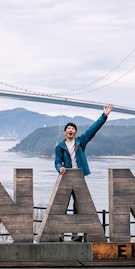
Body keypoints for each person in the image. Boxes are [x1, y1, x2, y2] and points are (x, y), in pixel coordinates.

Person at [54, 103, 114, 241]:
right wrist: (60, 168)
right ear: (65, 132)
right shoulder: (60, 147)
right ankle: (60, 234)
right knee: (62, 206)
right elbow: (57, 162)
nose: (71, 130)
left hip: (79, 177)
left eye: (73, 128)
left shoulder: (81, 141)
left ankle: (75, 235)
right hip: (66, 177)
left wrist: (104, 116)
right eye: (68, 128)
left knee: (78, 206)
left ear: (75, 132)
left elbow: (93, 129)